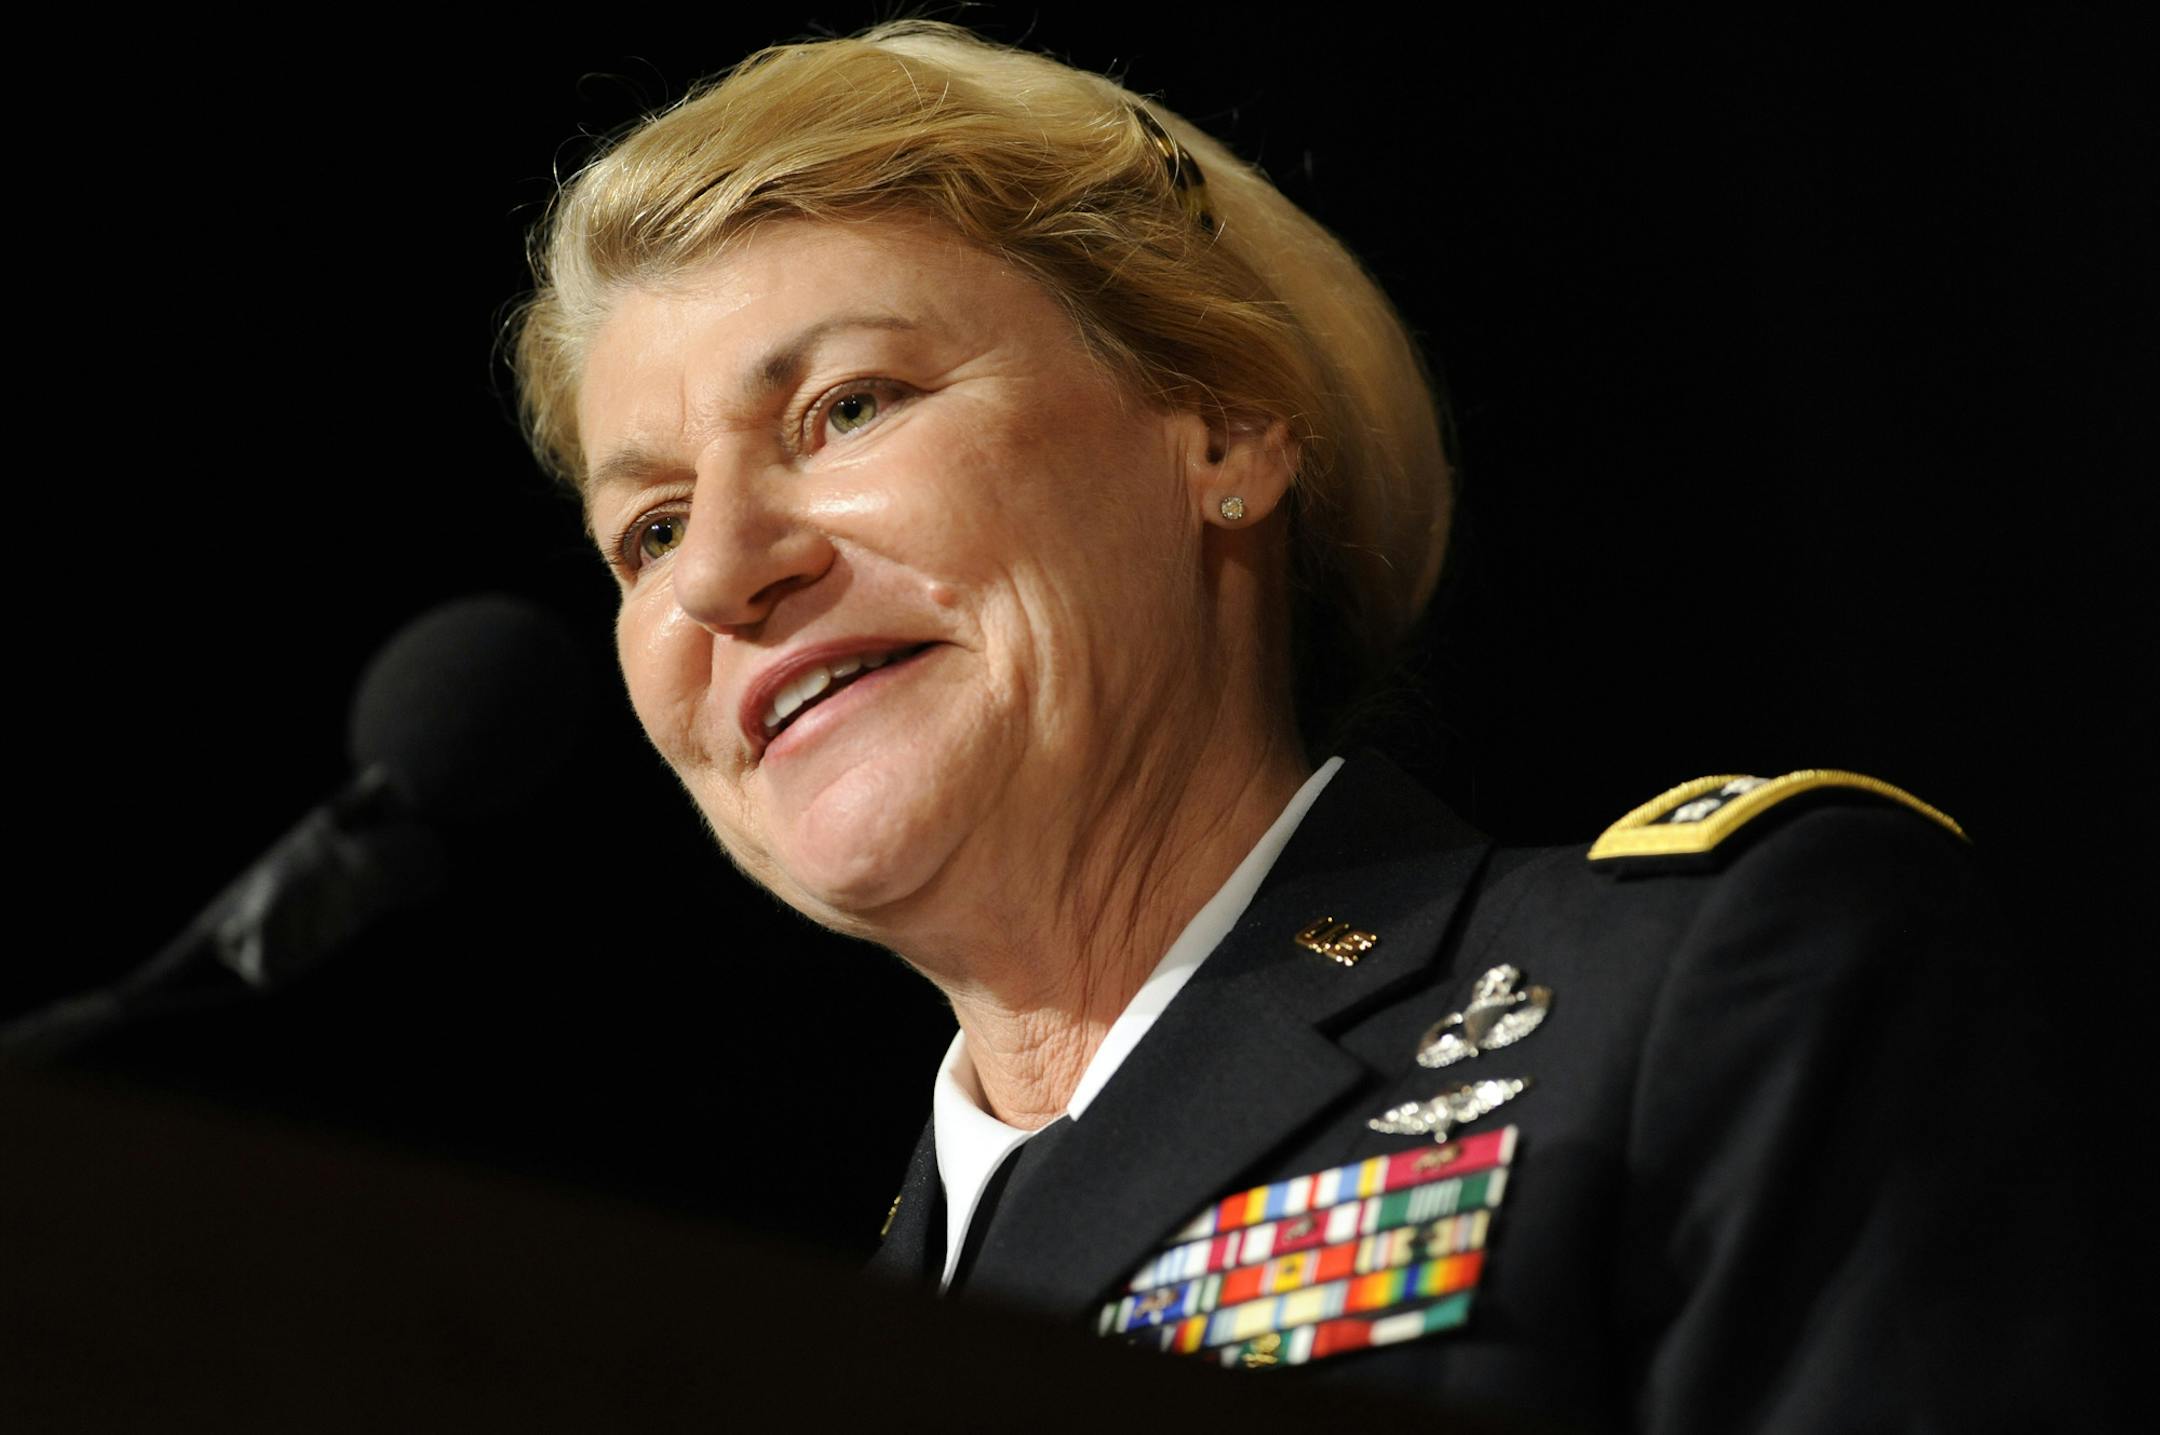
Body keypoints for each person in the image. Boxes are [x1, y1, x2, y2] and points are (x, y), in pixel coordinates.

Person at [508, 21, 2071, 1430]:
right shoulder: (779, 1360)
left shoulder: (1688, 1006)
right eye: (645, 532)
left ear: (1226, 429)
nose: (720, 571)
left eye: (847, 408)